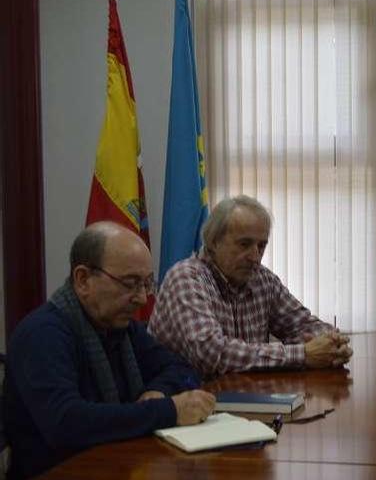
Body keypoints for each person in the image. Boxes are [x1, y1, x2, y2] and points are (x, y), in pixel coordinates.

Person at [3, 222, 215, 479]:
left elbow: (184, 370)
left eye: (147, 284)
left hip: (122, 465)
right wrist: (168, 411)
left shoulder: (122, 328)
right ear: (83, 280)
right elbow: (66, 422)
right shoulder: (42, 335)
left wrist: (158, 392)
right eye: (130, 283)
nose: (142, 298)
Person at [149, 195, 352, 376]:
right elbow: (211, 354)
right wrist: (303, 354)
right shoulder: (186, 279)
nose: (255, 257)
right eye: (244, 244)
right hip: (186, 402)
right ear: (213, 242)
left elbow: (302, 324)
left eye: (261, 246)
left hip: (245, 399)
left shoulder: (262, 279)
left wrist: (332, 344)